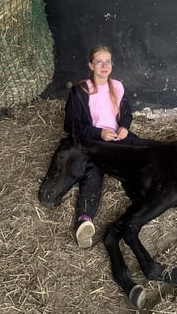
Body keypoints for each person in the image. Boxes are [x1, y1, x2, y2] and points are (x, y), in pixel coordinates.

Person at [64, 45, 156, 249]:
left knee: (150, 149)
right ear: (91, 65)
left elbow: (127, 113)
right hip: (95, 143)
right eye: (99, 62)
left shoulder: (117, 86)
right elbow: (71, 125)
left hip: (117, 138)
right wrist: (99, 133)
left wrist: (124, 127)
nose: (104, 66)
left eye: (108, 62)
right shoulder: (81, 91)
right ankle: (84, 221)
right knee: (92, 175)